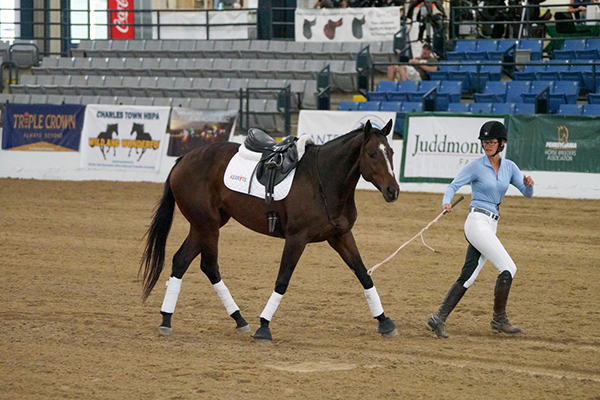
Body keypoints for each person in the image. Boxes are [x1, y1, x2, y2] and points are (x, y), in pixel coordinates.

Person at [425, 121, 535, 339]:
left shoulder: (509, 168)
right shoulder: (475, 166)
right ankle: (499, 320)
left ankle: (438, 318)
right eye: (485, 142)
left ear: (502, 143)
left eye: (492, 142)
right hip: (476, 222)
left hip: (491, 224)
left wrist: (529, 184)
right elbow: (453, 186)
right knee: (508, 268)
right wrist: (446, 202)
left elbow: (527, 193)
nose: (487, 145)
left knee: (468, 276)